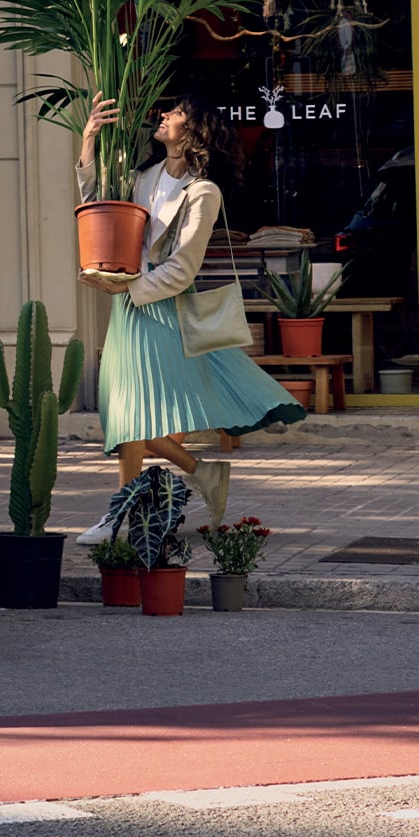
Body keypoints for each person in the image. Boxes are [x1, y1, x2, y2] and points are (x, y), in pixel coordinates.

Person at [76, 93, 306, 544]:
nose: (164, 116)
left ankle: (117, 518)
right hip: (126, 309)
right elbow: (98, 210)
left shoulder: (203, 192)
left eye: (177, 112)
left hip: (159, 310)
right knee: (126, 415)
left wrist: (133, 288)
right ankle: (199, 472)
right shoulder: (142, 176)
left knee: (132, 418)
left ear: (195, 130)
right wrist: (88, 144)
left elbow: (183, 267)